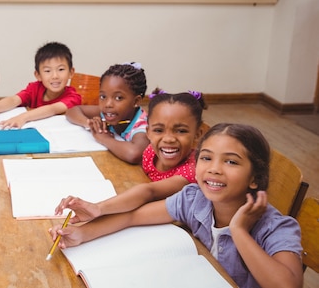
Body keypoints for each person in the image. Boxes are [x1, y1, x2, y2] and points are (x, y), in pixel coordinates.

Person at [50, 123, 303, 288]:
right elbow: (133, 217)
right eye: (206, 158)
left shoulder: (276, 227)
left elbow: (288, 286)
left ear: (255, 178)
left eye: (231, 162)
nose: (214, 169)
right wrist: (82, 233)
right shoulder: (194, 199)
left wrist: (239, 231)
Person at [55, 88, 207, 222]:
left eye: (181, 131)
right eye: (159, 130)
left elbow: (149, 191)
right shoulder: (150, 152)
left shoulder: (193, 171)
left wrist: (98, 208)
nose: (168, 139)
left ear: (197, 134)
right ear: (148, 132)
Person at [0, 42, 81, 129]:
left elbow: (52, 109)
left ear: (71, 72)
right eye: (47, 71)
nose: (55, 76)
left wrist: (22, 117)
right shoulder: (35, 88)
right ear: (38, 75)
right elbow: (14, 100)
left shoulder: (73, 97)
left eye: (61, 69)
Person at [65, 62, 149, 164]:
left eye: (118, 98)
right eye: (103, 97)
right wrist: (89, 123)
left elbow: (134, 154)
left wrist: (104, 139)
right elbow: (72, 110)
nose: (108, 104)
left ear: (136, 101)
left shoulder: (142, 126)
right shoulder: (110, 112)